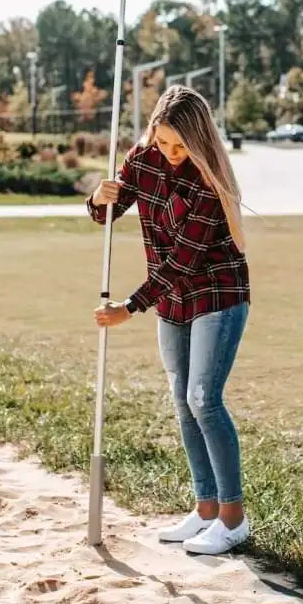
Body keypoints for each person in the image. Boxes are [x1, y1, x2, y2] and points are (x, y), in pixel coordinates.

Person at [87, 85, 250, 556]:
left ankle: (233, 519)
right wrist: (100, 198)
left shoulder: (206, 176)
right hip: (173, 302)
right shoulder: (143, 159)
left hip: (216, 293)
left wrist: (130, 307)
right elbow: (106, 215)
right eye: (164, 144)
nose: (172, 154)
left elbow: (183, 259)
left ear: (198, 141)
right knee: (182, 402)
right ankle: (204, 511)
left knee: (204, 399)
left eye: (181, 146)